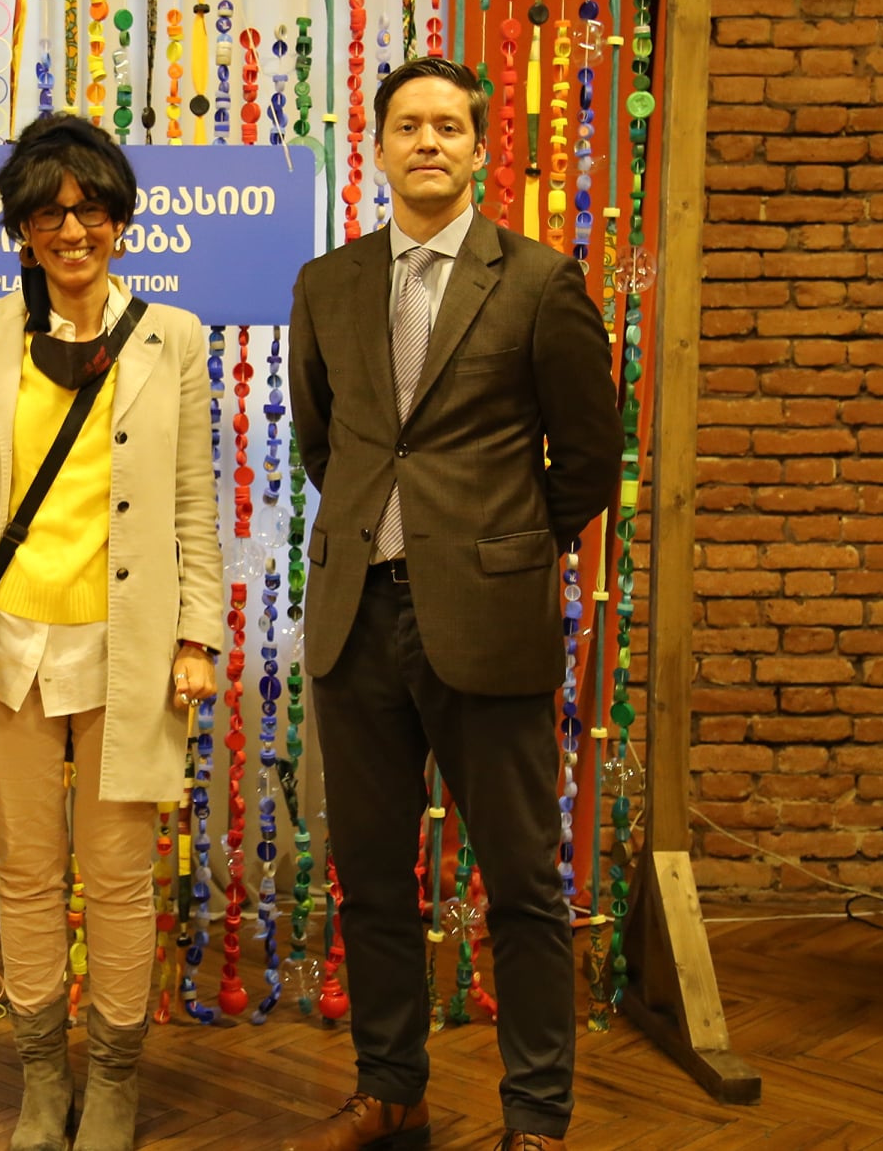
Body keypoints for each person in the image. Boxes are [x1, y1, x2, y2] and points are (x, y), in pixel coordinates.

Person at [283, 58, 622, 1151]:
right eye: (406, 125)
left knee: (520, 881)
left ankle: (536, 1114)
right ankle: (392, 1091)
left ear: (479, 148)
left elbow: (588, 458)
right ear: (378, 147)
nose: (426, 141)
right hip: (356, 621)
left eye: (448, 126)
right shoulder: (326, 284)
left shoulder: (538, 281)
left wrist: (500, 548)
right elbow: (326, 445)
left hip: (487, 619)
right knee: (374, 879)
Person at [0, 113, 224, 1151]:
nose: (71, 229)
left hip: (126, 647)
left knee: (119, 875)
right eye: (48, 212)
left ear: (120, 221)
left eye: (90, 208)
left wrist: (197, 636)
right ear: (21, 230)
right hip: (8, 643)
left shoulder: (172, 335)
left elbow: (194, 502)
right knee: (23, 872)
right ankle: (42, 1079)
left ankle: (115, 1082)